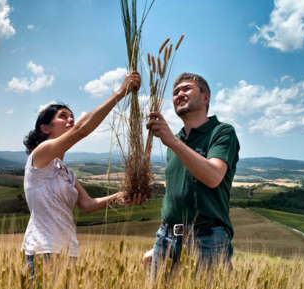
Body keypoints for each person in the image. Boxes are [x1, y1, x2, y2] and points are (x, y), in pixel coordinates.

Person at [21, 72, 146, 277]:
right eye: (63, 116)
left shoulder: (66, 172)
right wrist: (120, 93)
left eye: (72, 116)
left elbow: (88, 205)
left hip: (68, 250)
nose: (71, 119)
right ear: (45, 128)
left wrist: (123, 195)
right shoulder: (40, 157)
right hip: (43, 250)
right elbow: (80, 130)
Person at [142, 72, 240, 276]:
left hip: (208, 239)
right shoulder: (174, 141)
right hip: (167, 239)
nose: (179, 94)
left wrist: (173, 142)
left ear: (206, 98)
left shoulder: (221, 132)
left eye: (186, 88)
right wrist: (162, 242)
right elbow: (178, 192)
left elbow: (213, 177)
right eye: (175, 92)